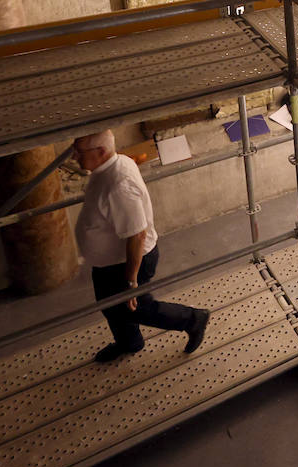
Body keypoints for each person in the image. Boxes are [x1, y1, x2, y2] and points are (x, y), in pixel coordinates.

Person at [72, 130, 209, 363]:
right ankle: (129, 343)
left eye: (79, 152)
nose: (75, 157)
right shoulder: (112, 165)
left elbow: (137, 235)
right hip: (109, 262)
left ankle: (193, 319)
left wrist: (131, 282)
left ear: (101, 152)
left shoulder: (119, 185)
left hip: (127, 262)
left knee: (136, 307)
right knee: (111, 307)